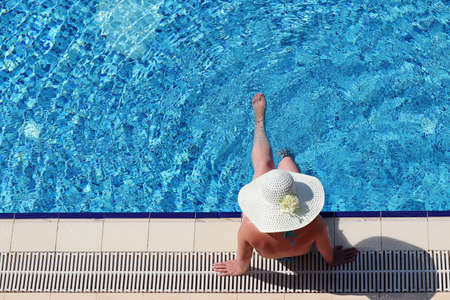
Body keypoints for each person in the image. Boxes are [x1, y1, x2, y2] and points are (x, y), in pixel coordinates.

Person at [213, 93, 359, 276]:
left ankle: (259, 123)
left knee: (263, 165)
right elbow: (328, 255)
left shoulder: (249, 228)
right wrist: (333, 259)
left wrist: (239, 267)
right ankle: (286, 156)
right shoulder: (315, 224)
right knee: (288, 165)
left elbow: (243, 262)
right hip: (301, 250)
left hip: (270, 253)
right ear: (297, 196)